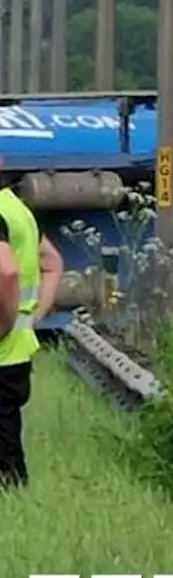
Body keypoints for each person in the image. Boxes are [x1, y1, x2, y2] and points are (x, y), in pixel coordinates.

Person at [0, 182, 62, 489]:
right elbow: (52, 263)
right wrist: (31, 316)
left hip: (2, 347)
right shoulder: (16, 208)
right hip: (17, 351)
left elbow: (6, 271)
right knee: (8, 446)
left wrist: (4, 323)